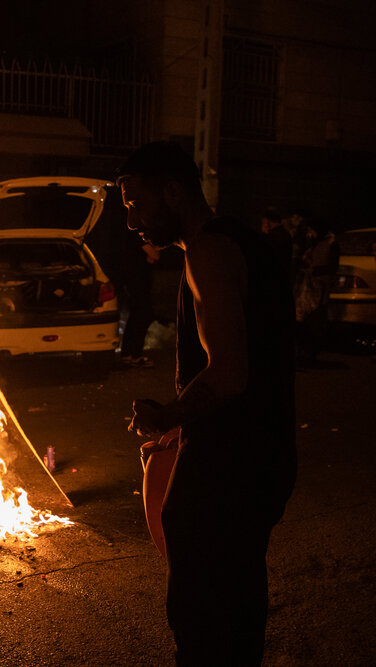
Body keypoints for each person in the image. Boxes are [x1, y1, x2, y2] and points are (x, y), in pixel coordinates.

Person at [118, 142, 296, 665]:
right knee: (238, 604)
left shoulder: (209, 252)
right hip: (265, 454)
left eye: (135, 203)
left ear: (173, 191)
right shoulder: (249, 244)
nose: (132, 221)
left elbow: (230, 373)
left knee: (206, 614)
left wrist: (166, 416)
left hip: (232, 466)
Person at [293, 217, 340, 362]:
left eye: (311, 230)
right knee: (303, 318)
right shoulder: (314, 243)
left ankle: (311, 351)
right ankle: (304, 349)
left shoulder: (330, 244)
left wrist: (314, 270)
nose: (309, 234)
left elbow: (332, 267)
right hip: (308, 288)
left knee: (315, 319)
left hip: (320, 288)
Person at [120, 232, 160, 368]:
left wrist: (152, 253)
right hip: (139, 284)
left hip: (135, 283)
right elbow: (155, 255)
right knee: (143, 316)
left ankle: (127, 354)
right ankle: (136, 355)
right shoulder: (137, 236)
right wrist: (153, 251)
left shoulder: (132, 237)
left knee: (135, 316)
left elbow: (152, 256)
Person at [260, 206, 293, 280]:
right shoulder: (286, 233)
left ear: (266, 221)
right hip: (284, 274)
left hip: (273, 275)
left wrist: (264, 235)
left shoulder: (271, 236)